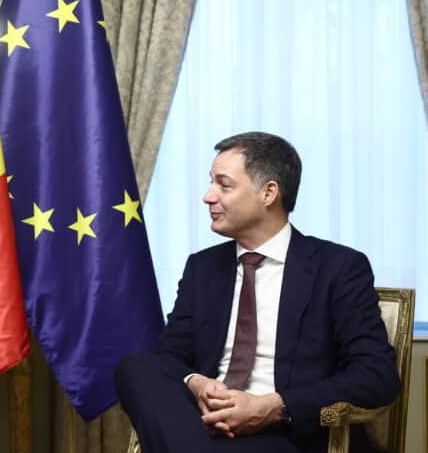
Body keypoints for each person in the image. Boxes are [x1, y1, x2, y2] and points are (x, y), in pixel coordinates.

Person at [115, 132, 400, 452]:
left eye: (224, 185)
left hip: (288, 434)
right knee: (135, 368)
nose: (208, 196)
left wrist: (274, 407)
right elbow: (169, 356)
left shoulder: (338, 267)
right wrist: (197, 383)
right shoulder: (203, 268)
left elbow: (376, 376)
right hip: (203, 425)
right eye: (211, 183)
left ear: (268, 193)